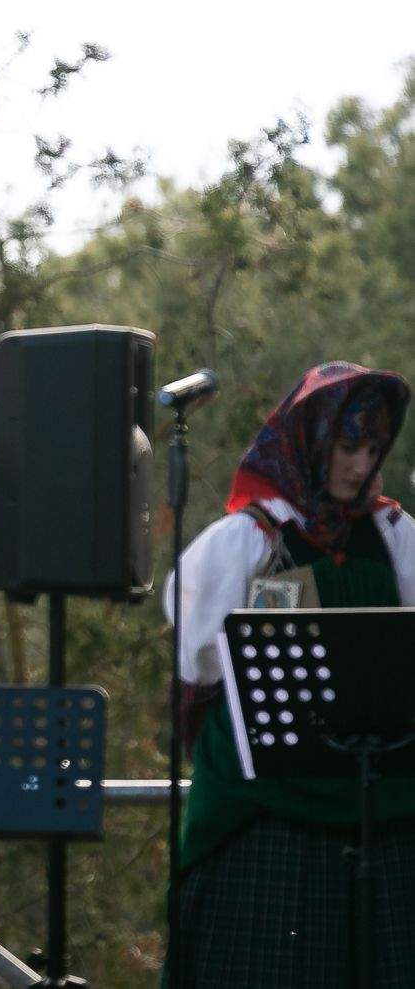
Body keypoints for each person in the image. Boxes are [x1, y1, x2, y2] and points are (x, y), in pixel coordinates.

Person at [165, 361, 415, 987]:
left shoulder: (394, 535)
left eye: (371, 449)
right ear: (313, 438)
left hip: (378, 800)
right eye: (346, 447)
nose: (359, 466)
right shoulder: (247, 540)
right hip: (268, 809)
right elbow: (196, 656)